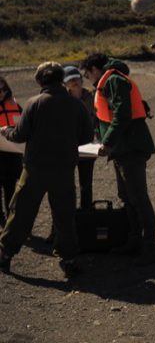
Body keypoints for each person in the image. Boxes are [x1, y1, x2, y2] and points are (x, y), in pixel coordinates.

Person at [0, 62, 93, 277]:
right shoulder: (76, 105)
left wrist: (6, 131)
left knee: (21, 212)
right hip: (64, 170)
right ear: (61, 79)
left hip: (35, 169)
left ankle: (5, 254)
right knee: (64, 216)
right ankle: (68, 259)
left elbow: (19, 136)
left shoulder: (34, 103)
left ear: (40, 80)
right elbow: (87, 137)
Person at [80, 53, 155, 266]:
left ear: (95, 69)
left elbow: (121, 115)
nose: (88, 79)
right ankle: (134, 240)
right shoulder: (112, 79)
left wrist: (106, 143)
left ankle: (150, 246)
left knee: (138, 197)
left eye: (87, 74)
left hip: (131, 148)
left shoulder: (114, 80)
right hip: (123, 149)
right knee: (126, 195)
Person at [45, 66, 98, 243]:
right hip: (65, 148)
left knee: (86, 186)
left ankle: (86, 225)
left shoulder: (92, 96)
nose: (75, 82)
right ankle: (58, 230)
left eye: (77, 79)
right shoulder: (60, 99)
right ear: (64, 83)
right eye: (71, 79)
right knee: (62, 190)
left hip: (87, 147)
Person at [0, 76, 23, 230]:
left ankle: (10, 220)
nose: (1, 93)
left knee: (10, 188)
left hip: (12, 154)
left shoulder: (15, 105)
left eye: (3, 89)